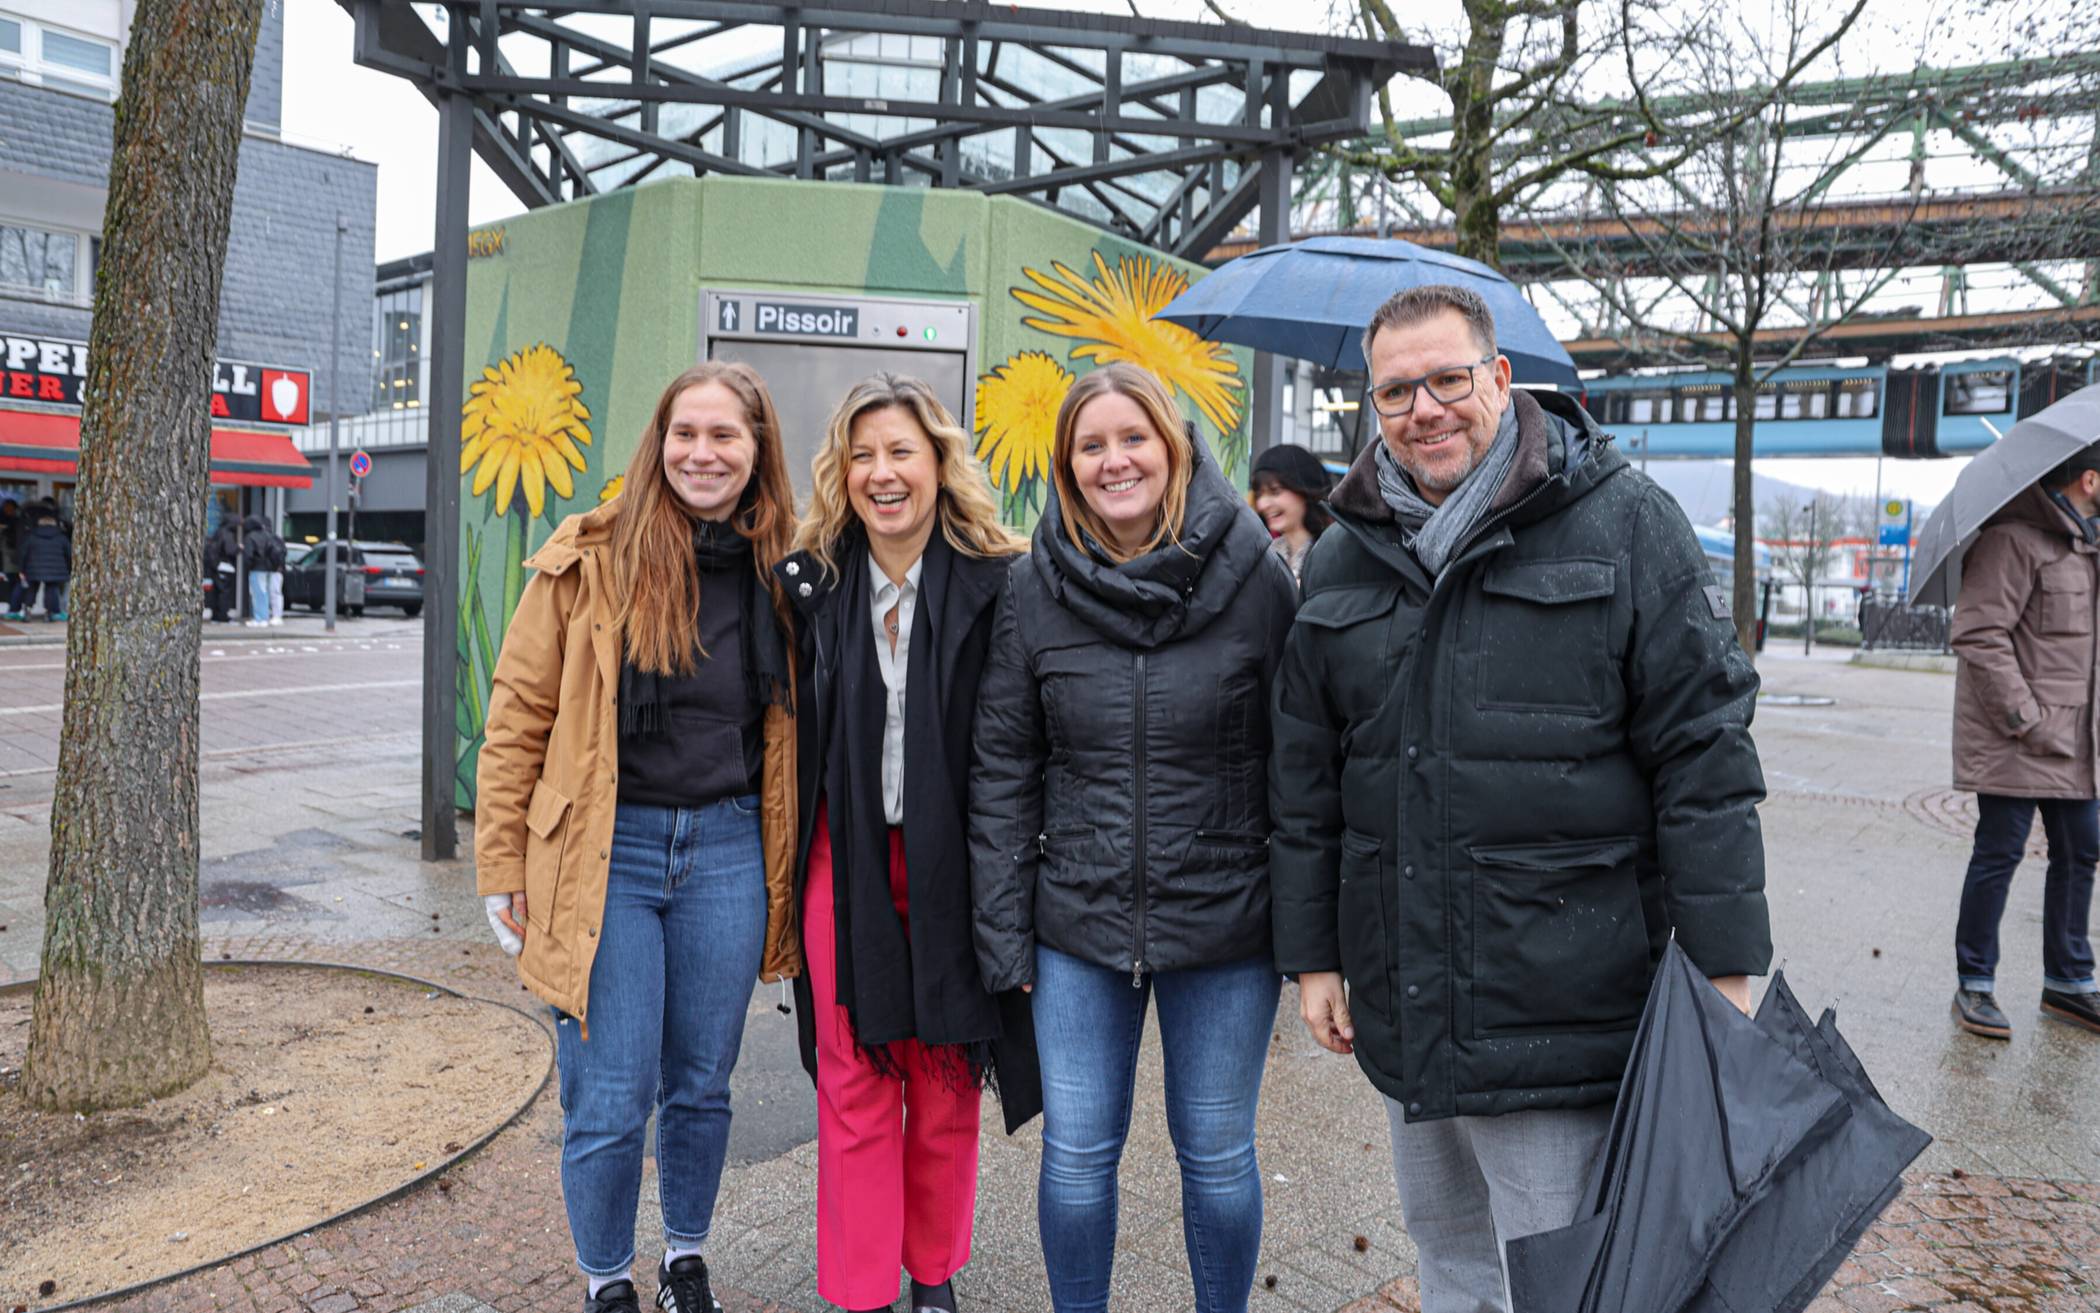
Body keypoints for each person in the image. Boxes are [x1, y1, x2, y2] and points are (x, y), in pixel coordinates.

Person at [1269, 284, 1772, 1313]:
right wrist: (1313, 950)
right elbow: (1306, 769)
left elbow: (1704, 751)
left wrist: (1726, 967)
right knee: (1450, 1253)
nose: (1425, 408)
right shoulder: (1342, 551)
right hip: (1409, 990)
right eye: (1396, 390)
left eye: (1447, 378)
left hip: (1560, 996)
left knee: (1564, 1275)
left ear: (1500, 378)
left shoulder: (1626, 522)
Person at [970, 362, 1297, 1313]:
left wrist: (1310, 932)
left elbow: (1301, 758)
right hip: (1077, 921)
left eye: (1132, 437)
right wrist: (1003, 935)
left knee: (1219, 1152)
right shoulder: (1033, 588)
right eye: (1090, 446)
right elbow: (1003, 768)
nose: (1115, 461)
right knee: (1075, 1155)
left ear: (1176, 446)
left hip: (1230, 923)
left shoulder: (1257, 577)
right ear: (1067, 469)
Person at [476, 361, 802, 1313]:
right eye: (685, 433)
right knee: (611, 1093)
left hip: (729, 851)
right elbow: (517, 716)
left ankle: (685, 1259)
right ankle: (607, 1278)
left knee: (702, 1083)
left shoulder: (786, 567)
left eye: (725, 435)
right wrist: (501, 861)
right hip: (604, 857)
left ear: (757, 449)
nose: (702, 452)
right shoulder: (589, 558)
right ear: (658, 444)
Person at [778, 374, 1039, 1313]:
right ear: (840, 472)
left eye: (900, 452)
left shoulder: (1002, 581)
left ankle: (933, 1276)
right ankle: (861, 1293)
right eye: (861, 455)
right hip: (839, 862)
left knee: (941, 1077)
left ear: (939, 463)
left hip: (955, 867)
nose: (881, 474)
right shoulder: (812, 585)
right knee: (851, 1075)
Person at [1948, 446, 2100, 1039]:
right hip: (2018, 737)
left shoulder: (2086, 548)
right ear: (2090, 479)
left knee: (2082, 850)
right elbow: (1978, 632)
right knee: (1999, 854)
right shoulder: (2012, 539)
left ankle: (2068, 981)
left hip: (2075, 741)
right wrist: (2026, 716)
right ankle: (1976, 984)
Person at [1248, 443, 1334, 588]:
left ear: (1304, 490)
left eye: (1275, 491)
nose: (1263, 504)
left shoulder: (1333, 553)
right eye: (1259, 494)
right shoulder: (1266, 554)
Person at [17, 500, 72, 622]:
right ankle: (49, 613)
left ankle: (28, 611)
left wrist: (21, 569)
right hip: (55, 569)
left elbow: (23, 553)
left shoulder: (31, 535)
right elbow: (69, 554)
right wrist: (69, 568)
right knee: (51, 590)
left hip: (33, 568)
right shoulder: (61, 537)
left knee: (32, 589)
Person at [204, 518, 242, 623]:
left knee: (216, 592)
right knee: (224, 592)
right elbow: (230, 550)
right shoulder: (227, 534)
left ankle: (215, 616)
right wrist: (238, 548)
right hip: (224, 566)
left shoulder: (218, 532)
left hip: (215, 566)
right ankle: (223, 616)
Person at [241, 515, 272, 627]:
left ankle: (260, 618)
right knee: (264, 593)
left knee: (257, 593)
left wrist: (248, 566)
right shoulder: (267, 535)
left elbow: (248, 555)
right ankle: (265, 617)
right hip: (268, 568)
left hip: (256, 568)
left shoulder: (250, 537)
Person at [264, 518, 288, 626]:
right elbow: (283, 552)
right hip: (277, 569)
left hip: (274, 569)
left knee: (274, 593)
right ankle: (277, 615)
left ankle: (276, 616)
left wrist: (275, 565)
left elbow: (276, 553)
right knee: (276, 592)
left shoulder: (269, 539)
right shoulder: (277, 538)